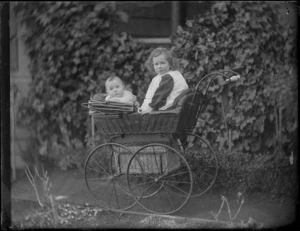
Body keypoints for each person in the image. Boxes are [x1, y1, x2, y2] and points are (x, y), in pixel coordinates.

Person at [139, 47, 189, 114]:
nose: (159, 66)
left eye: (162, 63)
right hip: (171, 108)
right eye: (156, 64)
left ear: (170, 63)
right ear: (152, 65)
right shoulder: (172, 74)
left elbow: (160, 97)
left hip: (168, 110)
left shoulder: (168, 77)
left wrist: (148, 108)